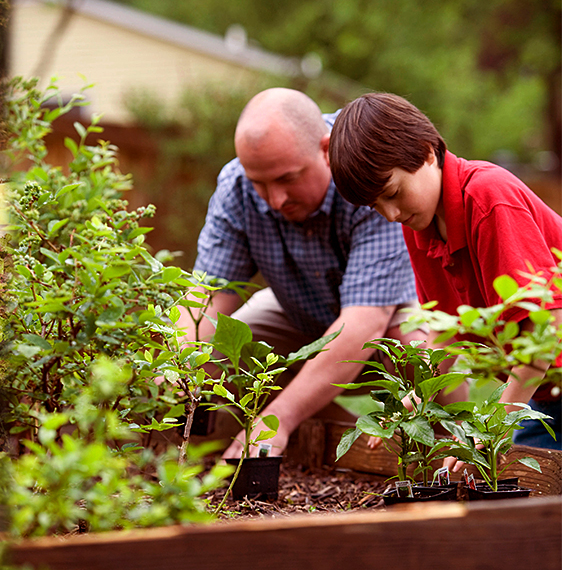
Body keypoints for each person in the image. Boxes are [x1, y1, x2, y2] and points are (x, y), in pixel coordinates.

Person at [184, 88, 430, 460]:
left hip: (386, 312)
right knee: (222, 352)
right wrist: (173, 365)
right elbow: (206, 298)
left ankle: (443, 448)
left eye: (287, 179)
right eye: (259, 183)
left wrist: (277, 420)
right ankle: (323, 441)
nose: (275, 198)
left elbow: (363, 324)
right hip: (296, 307)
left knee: (419, 352)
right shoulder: (236, 186)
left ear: (325, 148)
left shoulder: (365, 173)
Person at [328, 91, 562, 449]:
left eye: (392, 193)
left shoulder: (487, 197)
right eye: (375, 207)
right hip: (546, 393)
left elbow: (547, 325)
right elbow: (445, 332)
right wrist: (419, 398)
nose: (390, 214)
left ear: (426, 152)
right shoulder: (418, 225)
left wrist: (492, 426)